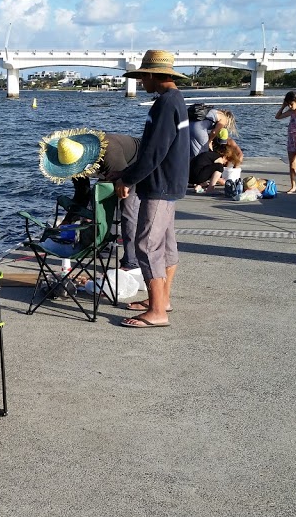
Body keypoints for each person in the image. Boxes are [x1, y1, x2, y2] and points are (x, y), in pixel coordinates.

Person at [114, 49, 191, 328]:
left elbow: (153, 152)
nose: (140, 84)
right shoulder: (175, 100)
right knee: (166, 244)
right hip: (170, 182)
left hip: (160, 184)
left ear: (151, 75)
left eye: (142, 78)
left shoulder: (164, 104)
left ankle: (158, 311)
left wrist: (127, 179)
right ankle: (162, 300)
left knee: (147, 245)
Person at [39, 129, 141, 270]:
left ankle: (131, 260)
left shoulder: (110, 152)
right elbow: (82, 194)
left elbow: (125, 188)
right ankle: (103, 244)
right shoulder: (73, 160)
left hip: (135, 166)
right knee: (98, 204)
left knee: (127, 211)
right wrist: (68, 220)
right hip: (110, 170)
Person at [190, 129, 243, 193]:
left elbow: (240, 154)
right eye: (226, 161)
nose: (226, 162)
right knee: (219, 167)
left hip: (190, 177)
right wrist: (224, 181)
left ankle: (200, 185)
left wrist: (235, 167)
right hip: (197, 175)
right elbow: (216, 170)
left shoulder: (229, 142)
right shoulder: (218, 157)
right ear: (224, 156)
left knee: (210, 167)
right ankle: (210, 189)